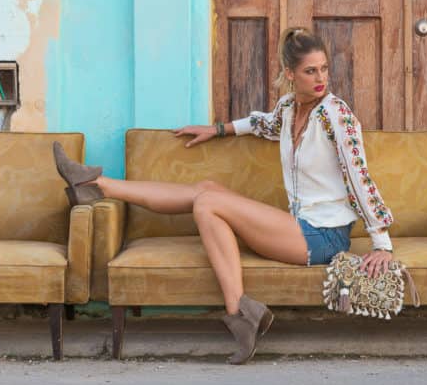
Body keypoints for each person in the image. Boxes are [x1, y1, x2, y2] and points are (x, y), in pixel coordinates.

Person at [51, 27, 394, 365]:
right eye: (310, 71)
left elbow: (358, 177)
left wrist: (382, 243)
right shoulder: (290, 109)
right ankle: (95, 185)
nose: (321, 78)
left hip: (325, 237)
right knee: (206, 190)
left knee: (208, 204)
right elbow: (261, 124)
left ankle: (239, 313)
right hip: (300, 226)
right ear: (290, 74)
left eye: (324, 69)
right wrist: (216, 130)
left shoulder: (337, 116)